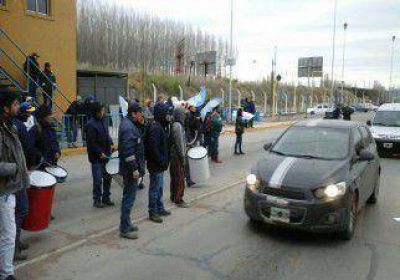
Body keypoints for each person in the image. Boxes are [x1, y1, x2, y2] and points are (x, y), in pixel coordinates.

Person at [0, 92, 29, 280]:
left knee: (7, 233)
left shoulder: (10, 127)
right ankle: (6, 274)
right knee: (9, 234)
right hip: (4, 190)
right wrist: (15, 168)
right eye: (16, 104)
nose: (18, 107)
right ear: (6, 108)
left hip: (14, 186)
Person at [118, 102, 145, 240]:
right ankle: (124, 228)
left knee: (129, 197)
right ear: (133, 113)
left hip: (130, 168)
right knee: (129, 198)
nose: (142, 114)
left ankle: (127, 222)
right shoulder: (128, 128)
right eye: (140, 112)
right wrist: (134, 168)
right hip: (130, 169)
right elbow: (128, 151)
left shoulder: (129, 124)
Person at [12, 103, 34, 261]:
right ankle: (13, 247)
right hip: (16, 174)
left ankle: (15, 242)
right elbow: (27, 147)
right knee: (21, 209)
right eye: (14, 104)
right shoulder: (17, 126)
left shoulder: (13, 124)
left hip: (16, 172)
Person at [145, 103, 171, 223]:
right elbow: (153, 149)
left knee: (159, 187)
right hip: (156, 165)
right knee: (155, 188)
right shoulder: (155, 128)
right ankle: (153, 211)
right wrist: (162, 161)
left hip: (159, 165)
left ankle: (159, 208)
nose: (168, 116)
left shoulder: (160, 126)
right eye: (166, 113)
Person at [86, 102, 115, 209]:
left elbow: (107, 135)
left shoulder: (104, 120)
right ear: (96, 112)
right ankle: (97, 200)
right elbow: (91, 143)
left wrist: (111, 144)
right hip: (96, 158)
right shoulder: (90, 125)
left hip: (106, 155)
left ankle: (106, 198)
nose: (103, 112)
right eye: (102, 111)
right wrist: (99, 153)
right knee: (98, 180)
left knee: (108, 177)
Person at [169, 107, 189, 208]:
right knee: (180, 178)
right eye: (183, 114)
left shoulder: (174, 124)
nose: (185, 116)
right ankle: (179, 199)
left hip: (173, 155)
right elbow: (179, 143)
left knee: (174, 177)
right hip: (177, 156)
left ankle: (173, 196)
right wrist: (183, 156)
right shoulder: (178, 126)